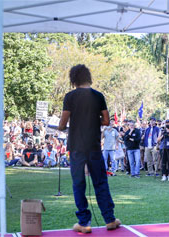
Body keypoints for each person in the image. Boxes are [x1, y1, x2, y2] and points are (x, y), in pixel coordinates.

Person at [58, 64, 120, 233]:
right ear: (88, 77)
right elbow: (106, 121)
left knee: (78, 183)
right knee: (100, 182)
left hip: (76, 146)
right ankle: (110, 219)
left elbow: (62, 124)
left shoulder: (70, 97)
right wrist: (93, 121)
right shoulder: (98, 96)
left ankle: (84, 222)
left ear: (74, 79)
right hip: (93, 146)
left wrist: (68, 124)